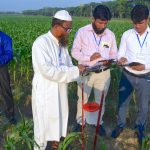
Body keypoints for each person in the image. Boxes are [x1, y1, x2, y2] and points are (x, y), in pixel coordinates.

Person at [32, 10, 85, 150]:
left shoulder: (62, 44)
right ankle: (40, 147)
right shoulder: (41, 43)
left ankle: (55, 144)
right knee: (43, 125)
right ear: (56, 26)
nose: (69, 32)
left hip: (60, 90)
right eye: (67, 29)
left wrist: (81, 72)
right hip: (46, 90)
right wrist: (75, 71)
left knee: (59, 118)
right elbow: (47, 71)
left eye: (70, 29)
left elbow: (68, 66)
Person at [71, 5, 117, 136]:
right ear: (93, 19)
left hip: (103, 73)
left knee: (100, 99)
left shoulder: (110, 35)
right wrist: (88, 58)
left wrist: (111, 60)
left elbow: (114, 53)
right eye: (100, 22)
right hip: (86, 72)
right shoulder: (82, 32)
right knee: (82, 98)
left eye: (105, 23)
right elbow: (74, 51)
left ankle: (98, 123)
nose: (102, 26)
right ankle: (80, 122)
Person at [111, 4, 150, 145]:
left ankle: (139, 128)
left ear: (148, 19)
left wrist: (144, 66)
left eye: (140, 23)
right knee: (122, 102)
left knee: (143, 106)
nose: (137, 26)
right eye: (134, 23)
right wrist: (120, 58)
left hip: (145, 76)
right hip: (127, 75)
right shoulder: (127, 34)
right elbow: (120, 52)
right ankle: (120, 126)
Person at [0, 31, 17, 125]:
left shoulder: (4, 38)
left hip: (1, 68)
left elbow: (9, 54)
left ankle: (10, 116)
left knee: (5, 91)